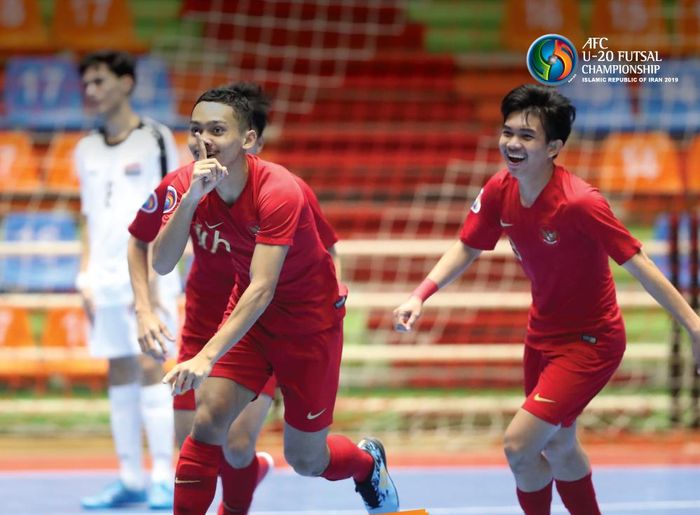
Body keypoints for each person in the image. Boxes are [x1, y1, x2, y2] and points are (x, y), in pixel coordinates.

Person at [393, 84, 700, 515]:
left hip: (590, 342)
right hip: (541, 337)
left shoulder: (580, 203)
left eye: (526, 136)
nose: (512, 144)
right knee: (558, 445)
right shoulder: (501, 188)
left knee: (519, 446)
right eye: (508, 133)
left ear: (554, 147)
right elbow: (468, 245)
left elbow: (640, 262)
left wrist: (694, 324)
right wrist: (420, 294)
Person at [151, 86, 399, 514]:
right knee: (207, 422)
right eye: (195, 130)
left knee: (306, 459)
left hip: (308, 326)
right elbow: (161, 262)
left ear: (247, 140)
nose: (202, 140)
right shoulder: (188, 183)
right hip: (252, 320)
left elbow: (264, 286)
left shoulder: (279, 189)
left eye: (216, 130)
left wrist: (206, 356)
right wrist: (191, 199)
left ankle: (365, 465)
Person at [74, 50, 181, 511]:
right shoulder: (84, 149)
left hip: (149, 276)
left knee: (151, 367)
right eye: (87, 83)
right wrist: (84, 275)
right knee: (117, 371)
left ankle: (162, 475)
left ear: (126, 83)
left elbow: (170, 210)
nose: (91, 91)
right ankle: (128, 477)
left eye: (100, 81)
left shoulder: (156, 139)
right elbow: (86, 217)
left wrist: (155, 286)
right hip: (104, 279)